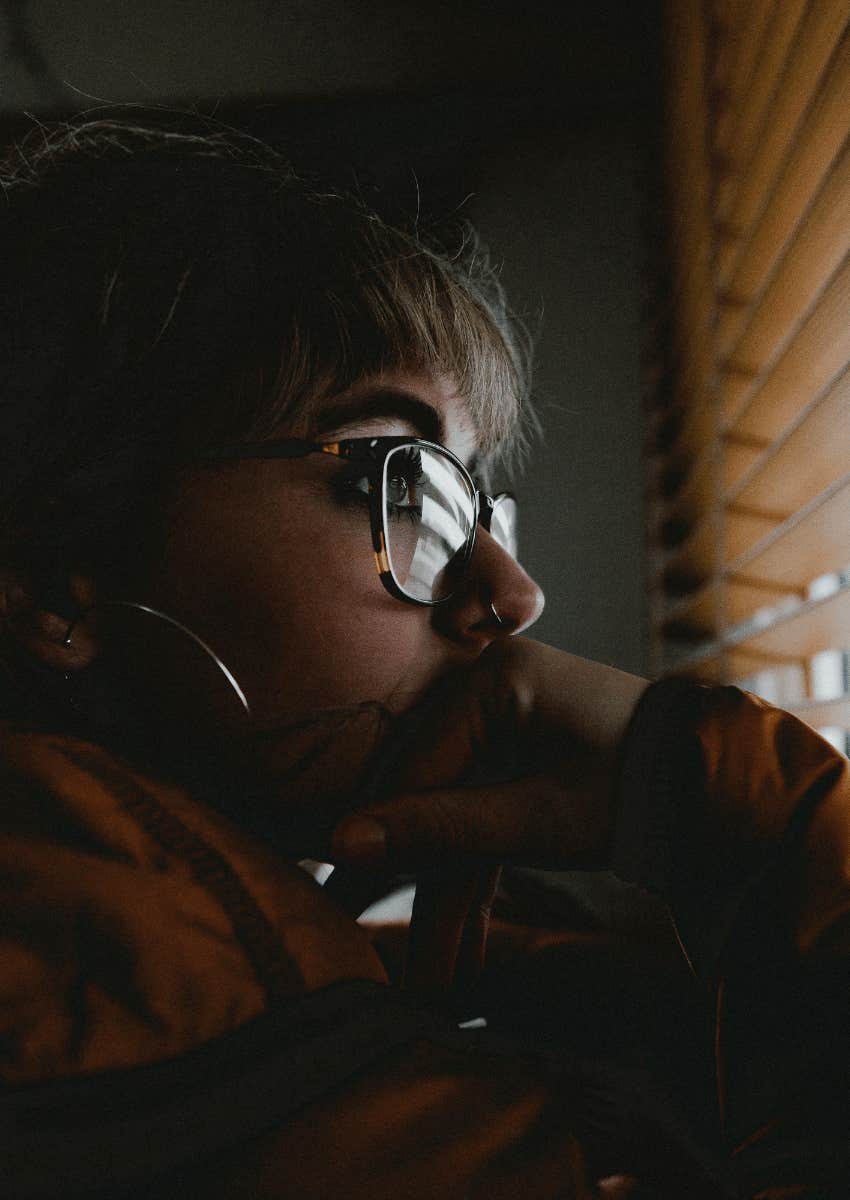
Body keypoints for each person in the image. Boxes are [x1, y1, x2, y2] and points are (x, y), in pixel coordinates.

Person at [0, 114, 846, 1199]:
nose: (511, 594)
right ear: (64, 581)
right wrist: (741, 814)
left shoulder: (148, 1005)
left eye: (469, 500)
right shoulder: (247, 1070)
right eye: (396, 485)